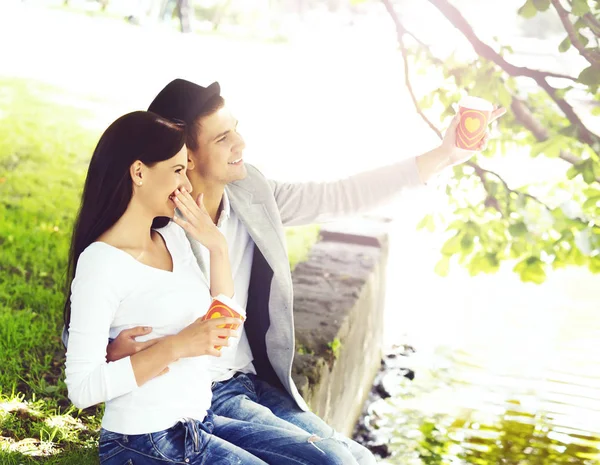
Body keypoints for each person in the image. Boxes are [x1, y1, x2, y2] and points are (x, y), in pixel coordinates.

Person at [71, 80, 505, 464]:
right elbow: (99, 309)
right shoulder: (159, 224)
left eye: (236, 128)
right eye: (223, 138)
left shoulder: (250, 192)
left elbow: (341, 195)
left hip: (249, 379)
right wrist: (117, 347)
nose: (241, 144)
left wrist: (447, 153)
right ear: (184, 150)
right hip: (197, 394)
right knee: (335, 459)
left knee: (355, 456)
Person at [63, 110, 366, 464]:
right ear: (139, 172)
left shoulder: (172, 239)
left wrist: (217, 247)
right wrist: (174, 346)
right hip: (143, 440)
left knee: (335, 460)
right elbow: (82, 389)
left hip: (197, 422)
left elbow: (222, 336)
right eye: (177, 171)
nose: (187, 185)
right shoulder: (102, 262)